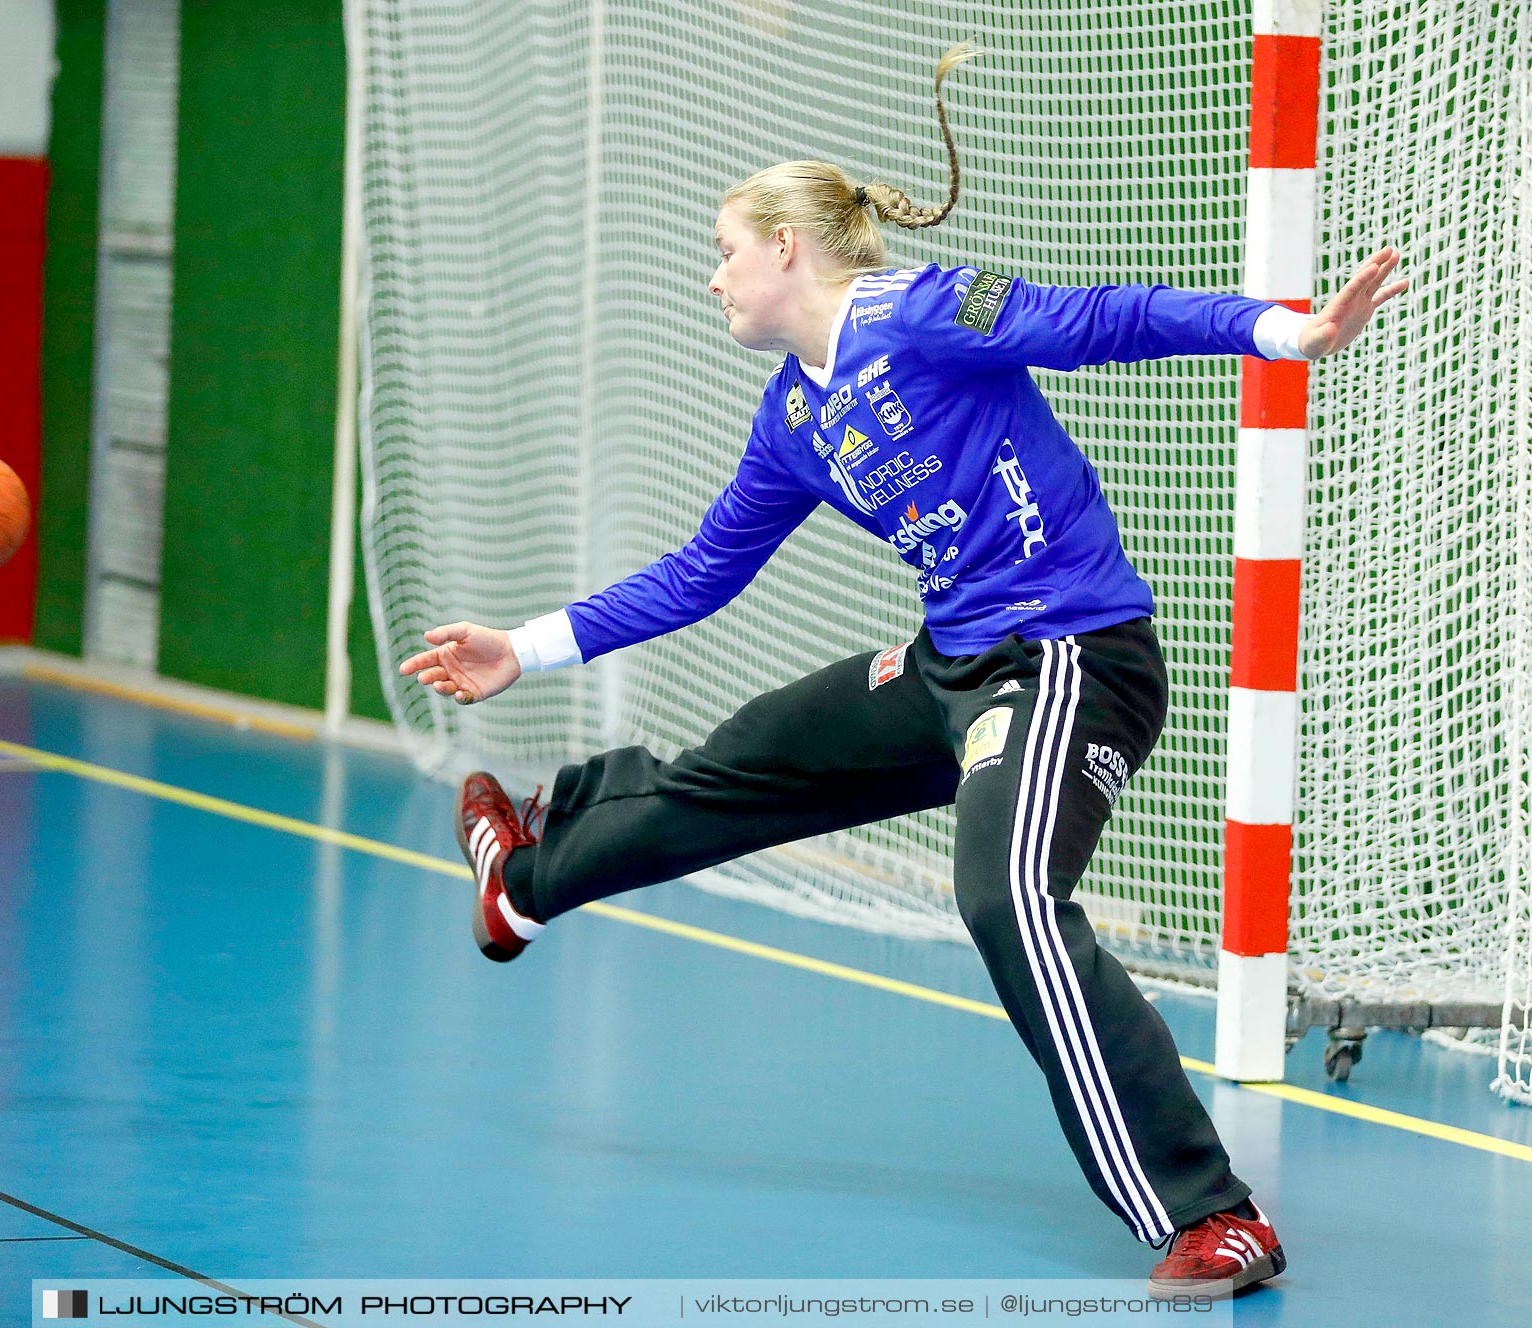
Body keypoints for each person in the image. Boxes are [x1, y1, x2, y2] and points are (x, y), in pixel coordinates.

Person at [399, 44, 1407, 1299]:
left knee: (1008, 901)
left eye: (725, 249)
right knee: (743, 761)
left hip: (1066, 661)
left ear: (785, 246)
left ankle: (1213, 1210)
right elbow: (701, 571)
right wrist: (526, 645)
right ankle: (527, 882)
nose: (711, 275)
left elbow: (1099, 319)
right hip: (951, 664)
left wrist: (1282, 329)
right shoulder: (793, 417)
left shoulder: (920, 313)